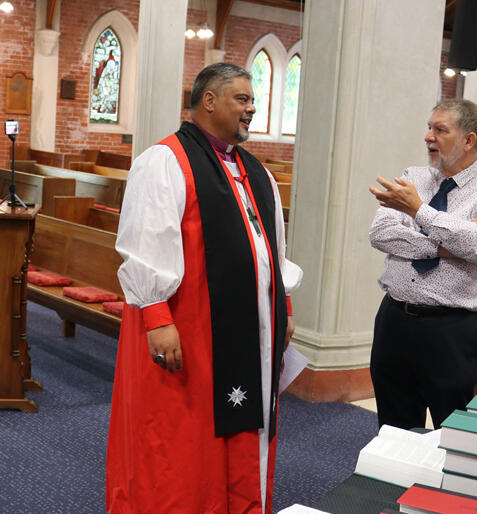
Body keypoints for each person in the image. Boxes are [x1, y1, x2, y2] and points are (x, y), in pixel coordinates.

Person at [106, 62, 302, 514]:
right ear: (209, 100)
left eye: (253, 100)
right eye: (243, 99)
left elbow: (273, 247)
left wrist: (283, 306)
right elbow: (144, 245)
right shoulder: (165, 161)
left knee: (242, 427)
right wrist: (157, 317)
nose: (251, 109)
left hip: (254, 332)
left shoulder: (256, 172)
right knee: (181, 439)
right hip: (189, 328)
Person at [368, 99, 477, 430]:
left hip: (450, 329)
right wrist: (444, 246)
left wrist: (419, 210)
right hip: (395, 320)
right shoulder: (413, 177)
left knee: (451, 435)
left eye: (440, 130)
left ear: (468, 140)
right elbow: (380, 234)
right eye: (428, 127)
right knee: (393, 432)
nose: (428, 137)